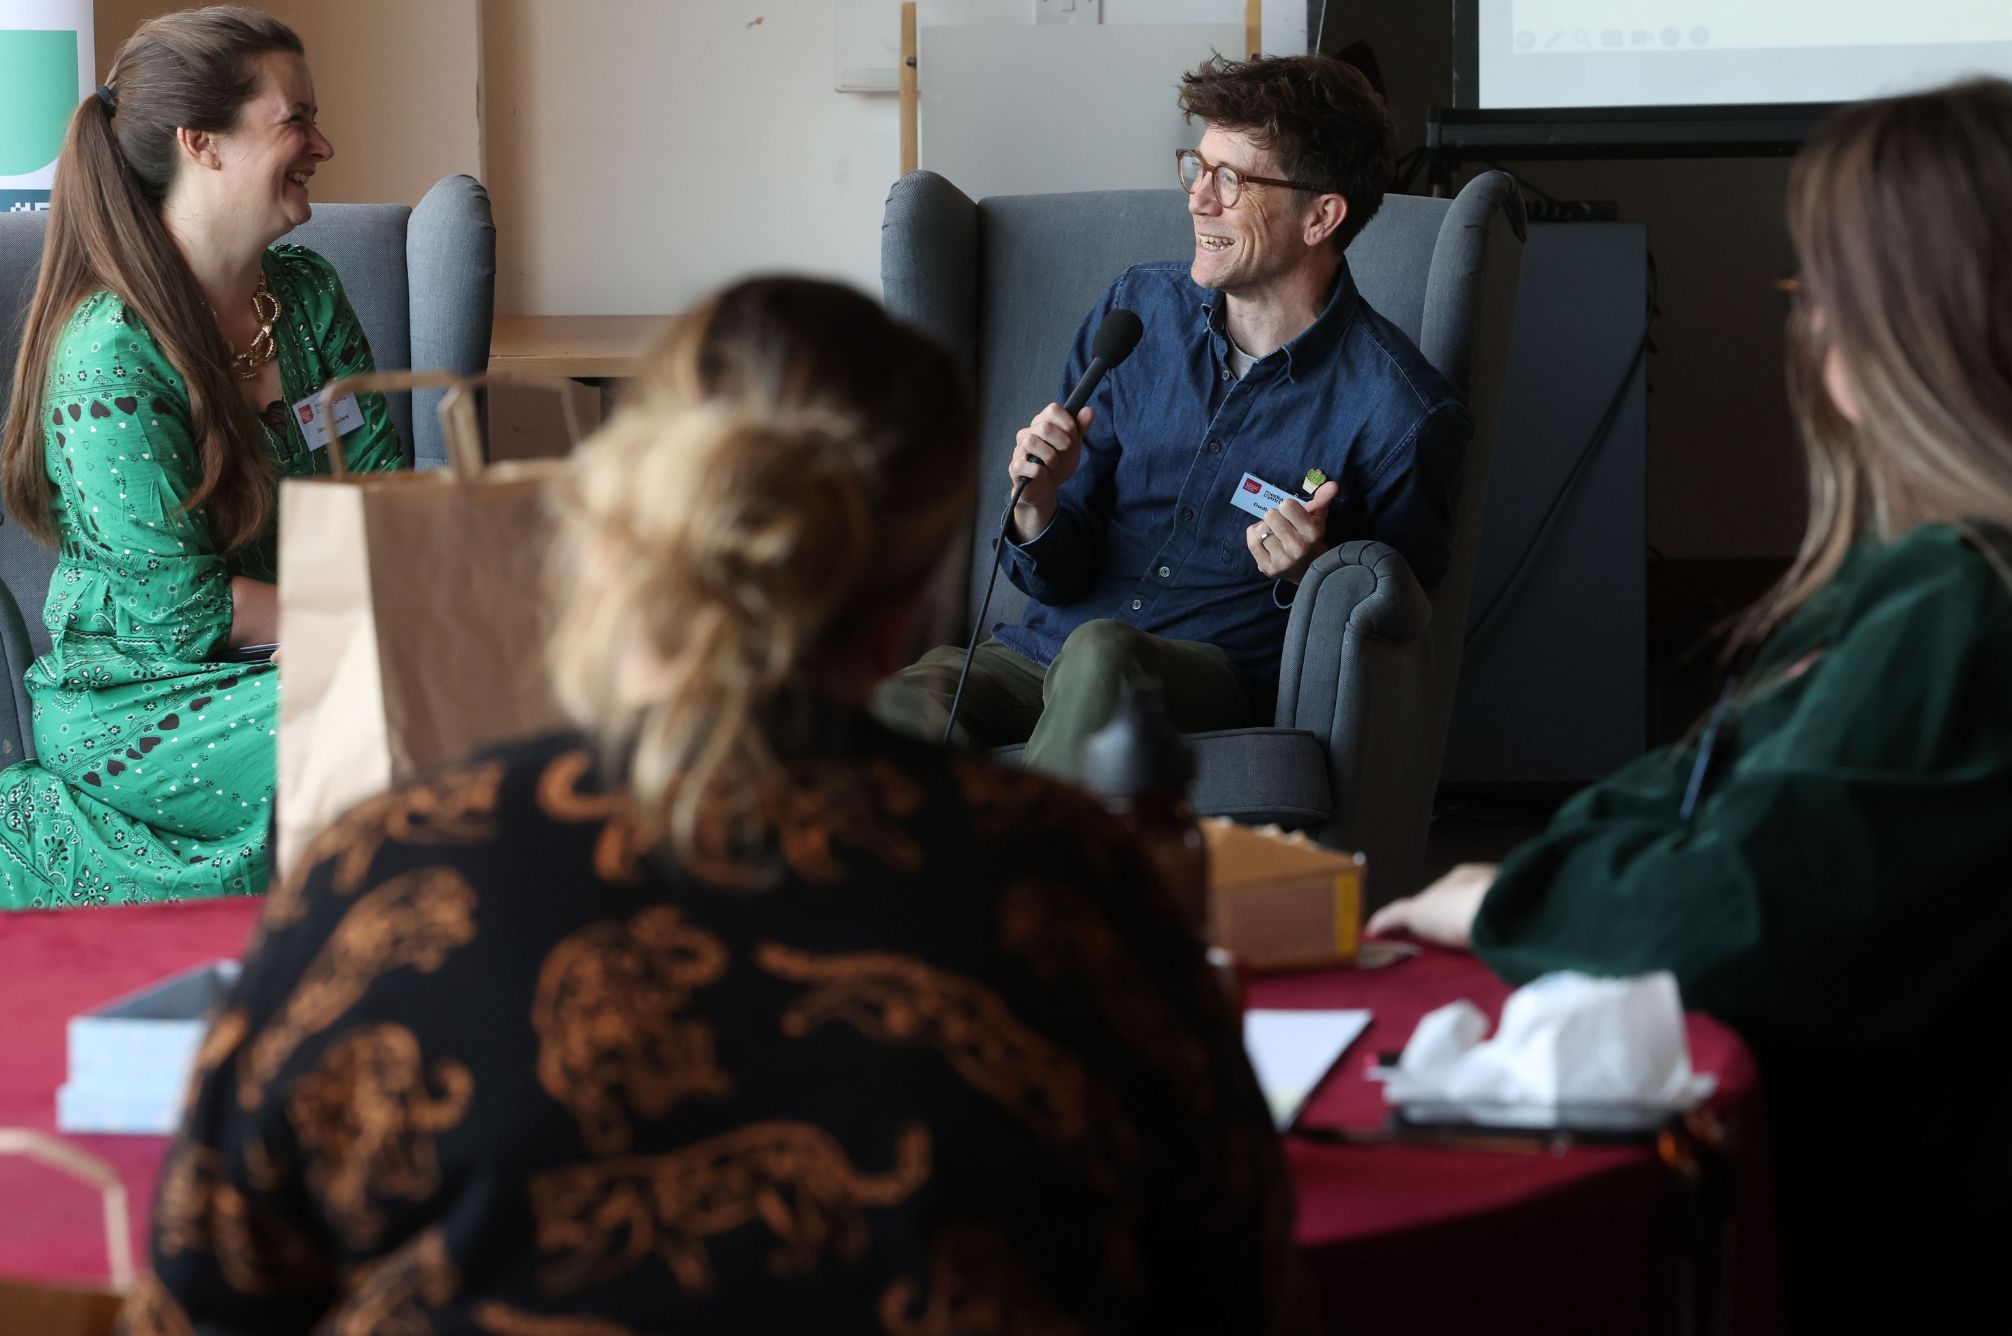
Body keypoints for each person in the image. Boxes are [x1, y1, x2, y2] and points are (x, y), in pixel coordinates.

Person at [129, 278, 1313, 1335]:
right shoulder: (1087, 895)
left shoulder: (383, 884)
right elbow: (1240, 1294)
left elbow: (201, 1300)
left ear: (604, 536)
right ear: (910, 589)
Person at [1368, 80, 2012, 1334]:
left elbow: (1722, 913)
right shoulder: (1926, 592)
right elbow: (1678, 807)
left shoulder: (1963, 612)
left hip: (1851, 1255)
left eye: (1820, 288)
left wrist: (1503, 898)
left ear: (1904, 333)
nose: (1806, 325)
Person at [874, 53, 1472, 781]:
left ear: (1321, 216)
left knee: (1103, 655)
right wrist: (1039, 505)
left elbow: (1401, 626)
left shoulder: (1402, 412)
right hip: (1042, 655)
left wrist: (1312, 572)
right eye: (1198, 168)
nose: (1198, 200)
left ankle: (1032, 853)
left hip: (1209, 680)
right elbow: (1057, 578)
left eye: (1232, 180)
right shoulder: (1139, 311)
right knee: (889, 707)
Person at [0, 6, 402, 909]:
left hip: (313, 645)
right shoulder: (109, 353)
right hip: (144, 697)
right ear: (201, 143)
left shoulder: (307, 294)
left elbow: (380, 502)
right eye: (295, 119)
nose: (323, 145)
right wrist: (372, 632)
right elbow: (181, 615)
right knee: (399, 730)